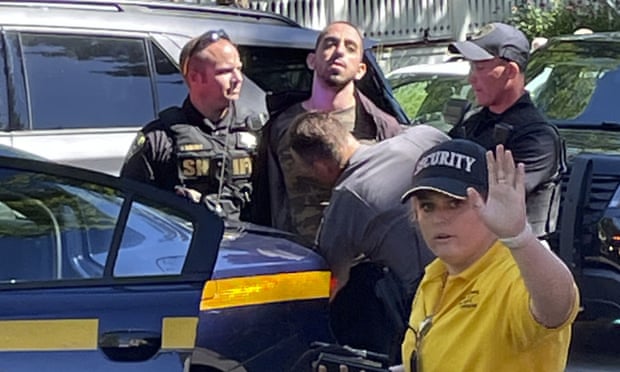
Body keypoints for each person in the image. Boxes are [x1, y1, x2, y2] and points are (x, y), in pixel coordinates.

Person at [400, 139, 579, 371]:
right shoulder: (437, 274)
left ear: (491, 204)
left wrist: (519, 237)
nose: (439, 218)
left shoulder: (514, 274)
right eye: (427, 206)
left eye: (455, 203)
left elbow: (558, 308)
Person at [288, 111, 447, 363]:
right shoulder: (422, 137)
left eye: (308, 172)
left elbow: (332, 280)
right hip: (486, 265)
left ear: (322, 167)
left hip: (431, 301)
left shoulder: (347, 197)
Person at [250, 21, 402, 244]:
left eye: (350, 48)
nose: (339, 51)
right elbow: (265, 200)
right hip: (298, 261)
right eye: (330, 44)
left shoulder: (382, 127)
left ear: (361, 70)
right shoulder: (280, 125)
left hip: (363, 265)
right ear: (312, 60)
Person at [121, 29, 264, 218]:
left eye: (239, 69)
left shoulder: (256, 131)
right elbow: (134, 209)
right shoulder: (160, 138)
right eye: (226, 71)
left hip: (247, 243)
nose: (238, 79)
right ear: (195, 77)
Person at [447, 22, 566, 238]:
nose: (471, 78)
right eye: (471, 67)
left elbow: (493, 201)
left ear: (510, 71)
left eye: (481, 68)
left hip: (516, 257)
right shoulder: (473, 121)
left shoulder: (537, 137)